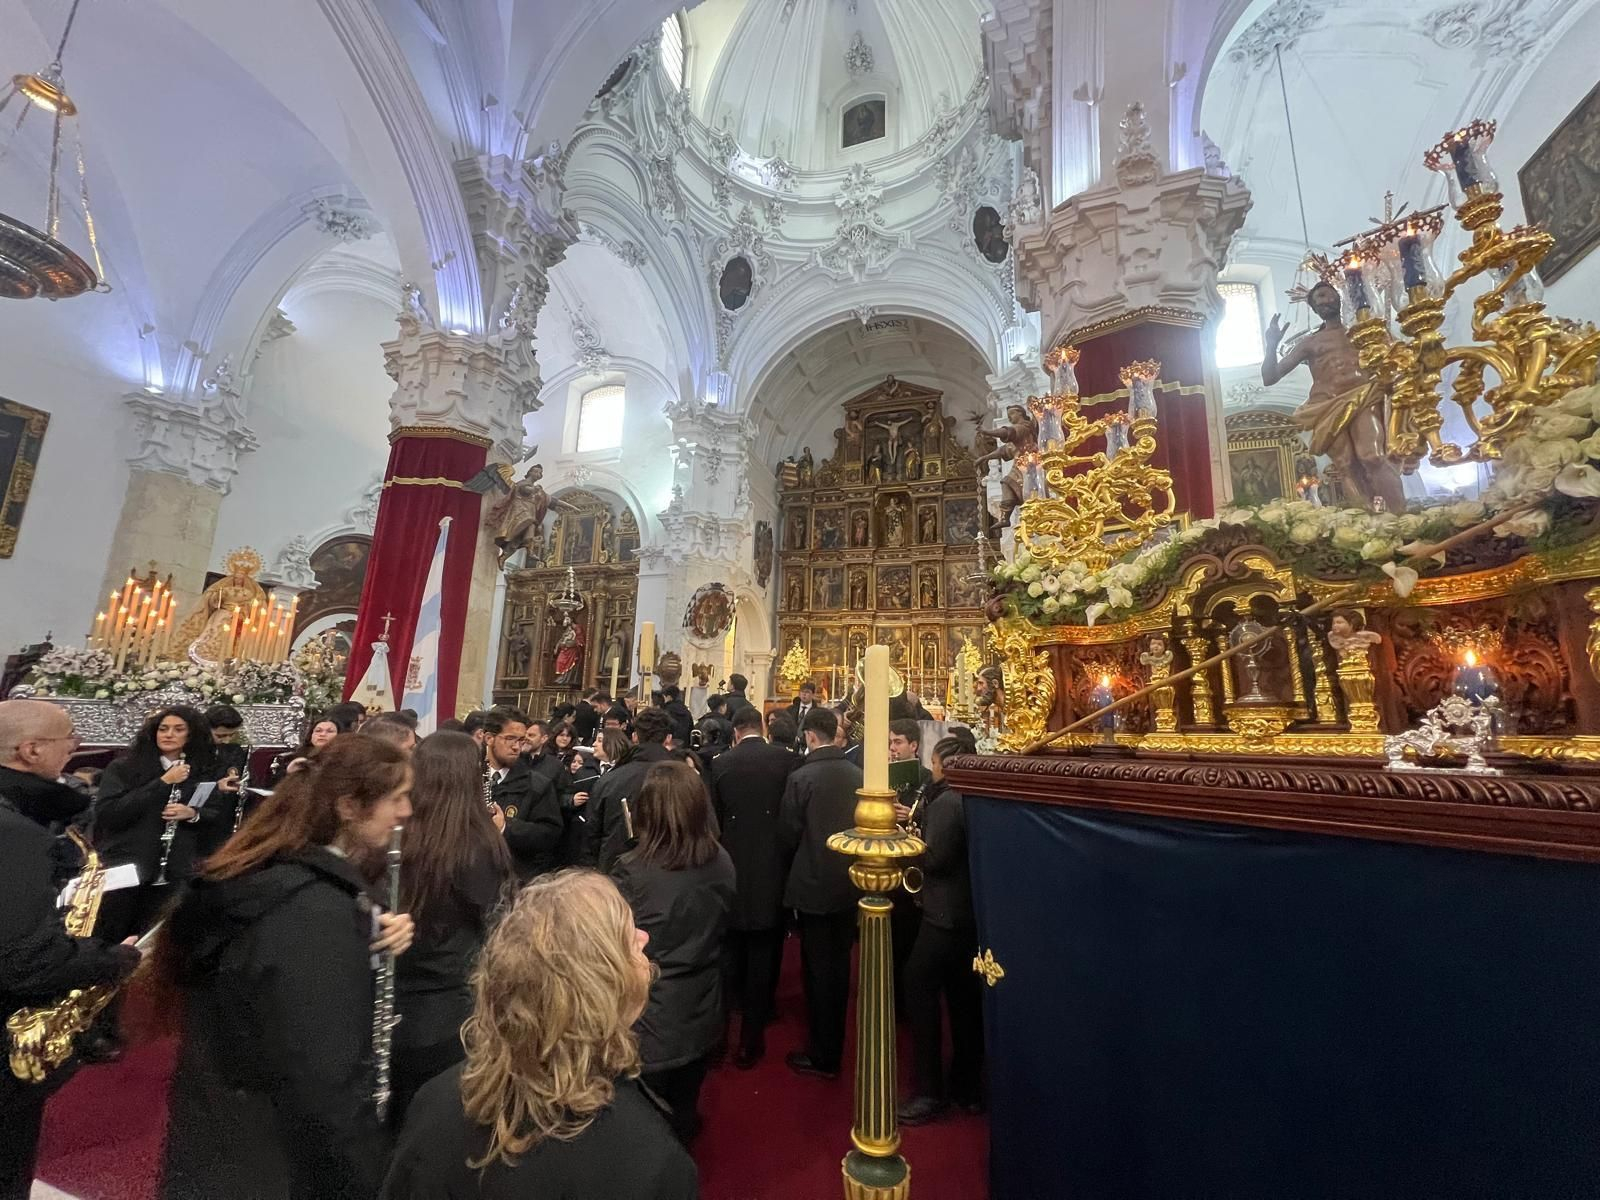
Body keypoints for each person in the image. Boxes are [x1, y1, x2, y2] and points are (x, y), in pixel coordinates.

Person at [152, 735, 416, 1200]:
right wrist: (369, 1174)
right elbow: (321, 1072)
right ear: (350, 807)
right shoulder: (312, 912)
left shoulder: (268, 876)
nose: (406, 812)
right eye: (397, 798)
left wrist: (362, 932)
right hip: (278, 1159)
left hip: (224, 1134)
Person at [380, 871, 697, 1199]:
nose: (643, 937)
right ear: (601, 994)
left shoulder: (432, 1105)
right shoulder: (651, 1164)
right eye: (627, 937)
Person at [0, 700, 142, 1200]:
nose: (75, 749)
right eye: (70, 740)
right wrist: (109, 960)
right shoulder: (14, 832)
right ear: (30, 750)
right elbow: (21, 960)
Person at [392, 732, 516, 1126]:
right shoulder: (478, 842)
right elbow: (498, 923)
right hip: (455, 1001)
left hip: (397, 989)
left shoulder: (397, 829)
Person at [612, 762, 736, 1142]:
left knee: (643, 1121)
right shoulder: (721, 858)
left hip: (649, 1012)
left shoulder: (632, 870)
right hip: (702, 1000)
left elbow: (612, 945)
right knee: (684, 1101)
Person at [94, 707, 239, 947]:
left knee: (155, 938)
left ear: (191, 735)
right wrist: (163, 782)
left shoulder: (201, 768)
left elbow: (212, 812)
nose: (169, 734)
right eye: (163, 729)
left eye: (178, 729)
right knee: (111, 932)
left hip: (174, 866)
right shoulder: (124, 767)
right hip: (127, 862)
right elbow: (109, 813)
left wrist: (192, 813)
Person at [1262, 280, 1408, 512]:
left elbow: (1397, 355)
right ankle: (1369, 520)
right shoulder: (1309, 343)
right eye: (1318, 297)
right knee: (1346, 466)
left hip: (1364, 396)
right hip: (1326, 404)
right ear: (1313, 307)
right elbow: (1270, 377)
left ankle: (1401, 515)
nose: (1324, 300)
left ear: (1339, 298)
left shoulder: (1363, 330)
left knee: (1372, 457)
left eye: (1328, 295)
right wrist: (1271, 345)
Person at [898, 736, 984, 1125]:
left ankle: (931, 1091)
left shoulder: (948, 802)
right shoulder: (970, 795)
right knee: (964, 1000)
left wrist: (905, 841)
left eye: (934, 763)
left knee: (917, 986)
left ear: (946, 764)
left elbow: (935, 858)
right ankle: (967, 1084)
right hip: (968, 914)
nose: (932, 770)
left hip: (943, 915)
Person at [711, 705, 798, 1068]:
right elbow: (792, 815)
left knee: (731, 948)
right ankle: (753, 1035)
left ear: (734, 732)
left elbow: (714, 820)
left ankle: (720, 1032)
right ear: (763, 727)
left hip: (730, 864)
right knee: (765, 946)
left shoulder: (719, 764)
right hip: (772, 864)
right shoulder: (785, 761)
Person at [779, 707, 863, 1079]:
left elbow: (788, 834)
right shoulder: (857, 774)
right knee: (841, 964)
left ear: (810, 736)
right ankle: (835, 1044)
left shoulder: (803, 777)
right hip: (850, 881)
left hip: (812, 882)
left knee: (816, 968)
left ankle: (822, 1053)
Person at [584, 707, 676, 871]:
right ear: (668, 739)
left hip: (617, 871)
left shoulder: (610, 779)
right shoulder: (686, 778)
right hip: (672, 870)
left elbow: (592, 833)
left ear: (634, 736)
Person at [484, 711, 562, 882]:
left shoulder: (537, 784)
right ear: (489, 738)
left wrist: (506, 827)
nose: (516, 747)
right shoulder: (468, 777)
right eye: (510, 739)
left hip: (514, 879)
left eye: (521, 740)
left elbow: (550, 834)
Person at [274, 714, 341, 782]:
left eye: (330, 731)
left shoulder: (345, 757)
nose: (322, 734)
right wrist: (289, 772)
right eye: (318, 731)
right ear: (311, 735)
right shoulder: (297, 756)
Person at [521, 719, 563, 787]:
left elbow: (562, 792)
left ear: (543, 739)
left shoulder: (555, 765)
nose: (526, 738)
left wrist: (570, 797)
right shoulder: (513, 760)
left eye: (531, 735)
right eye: (524, 735)